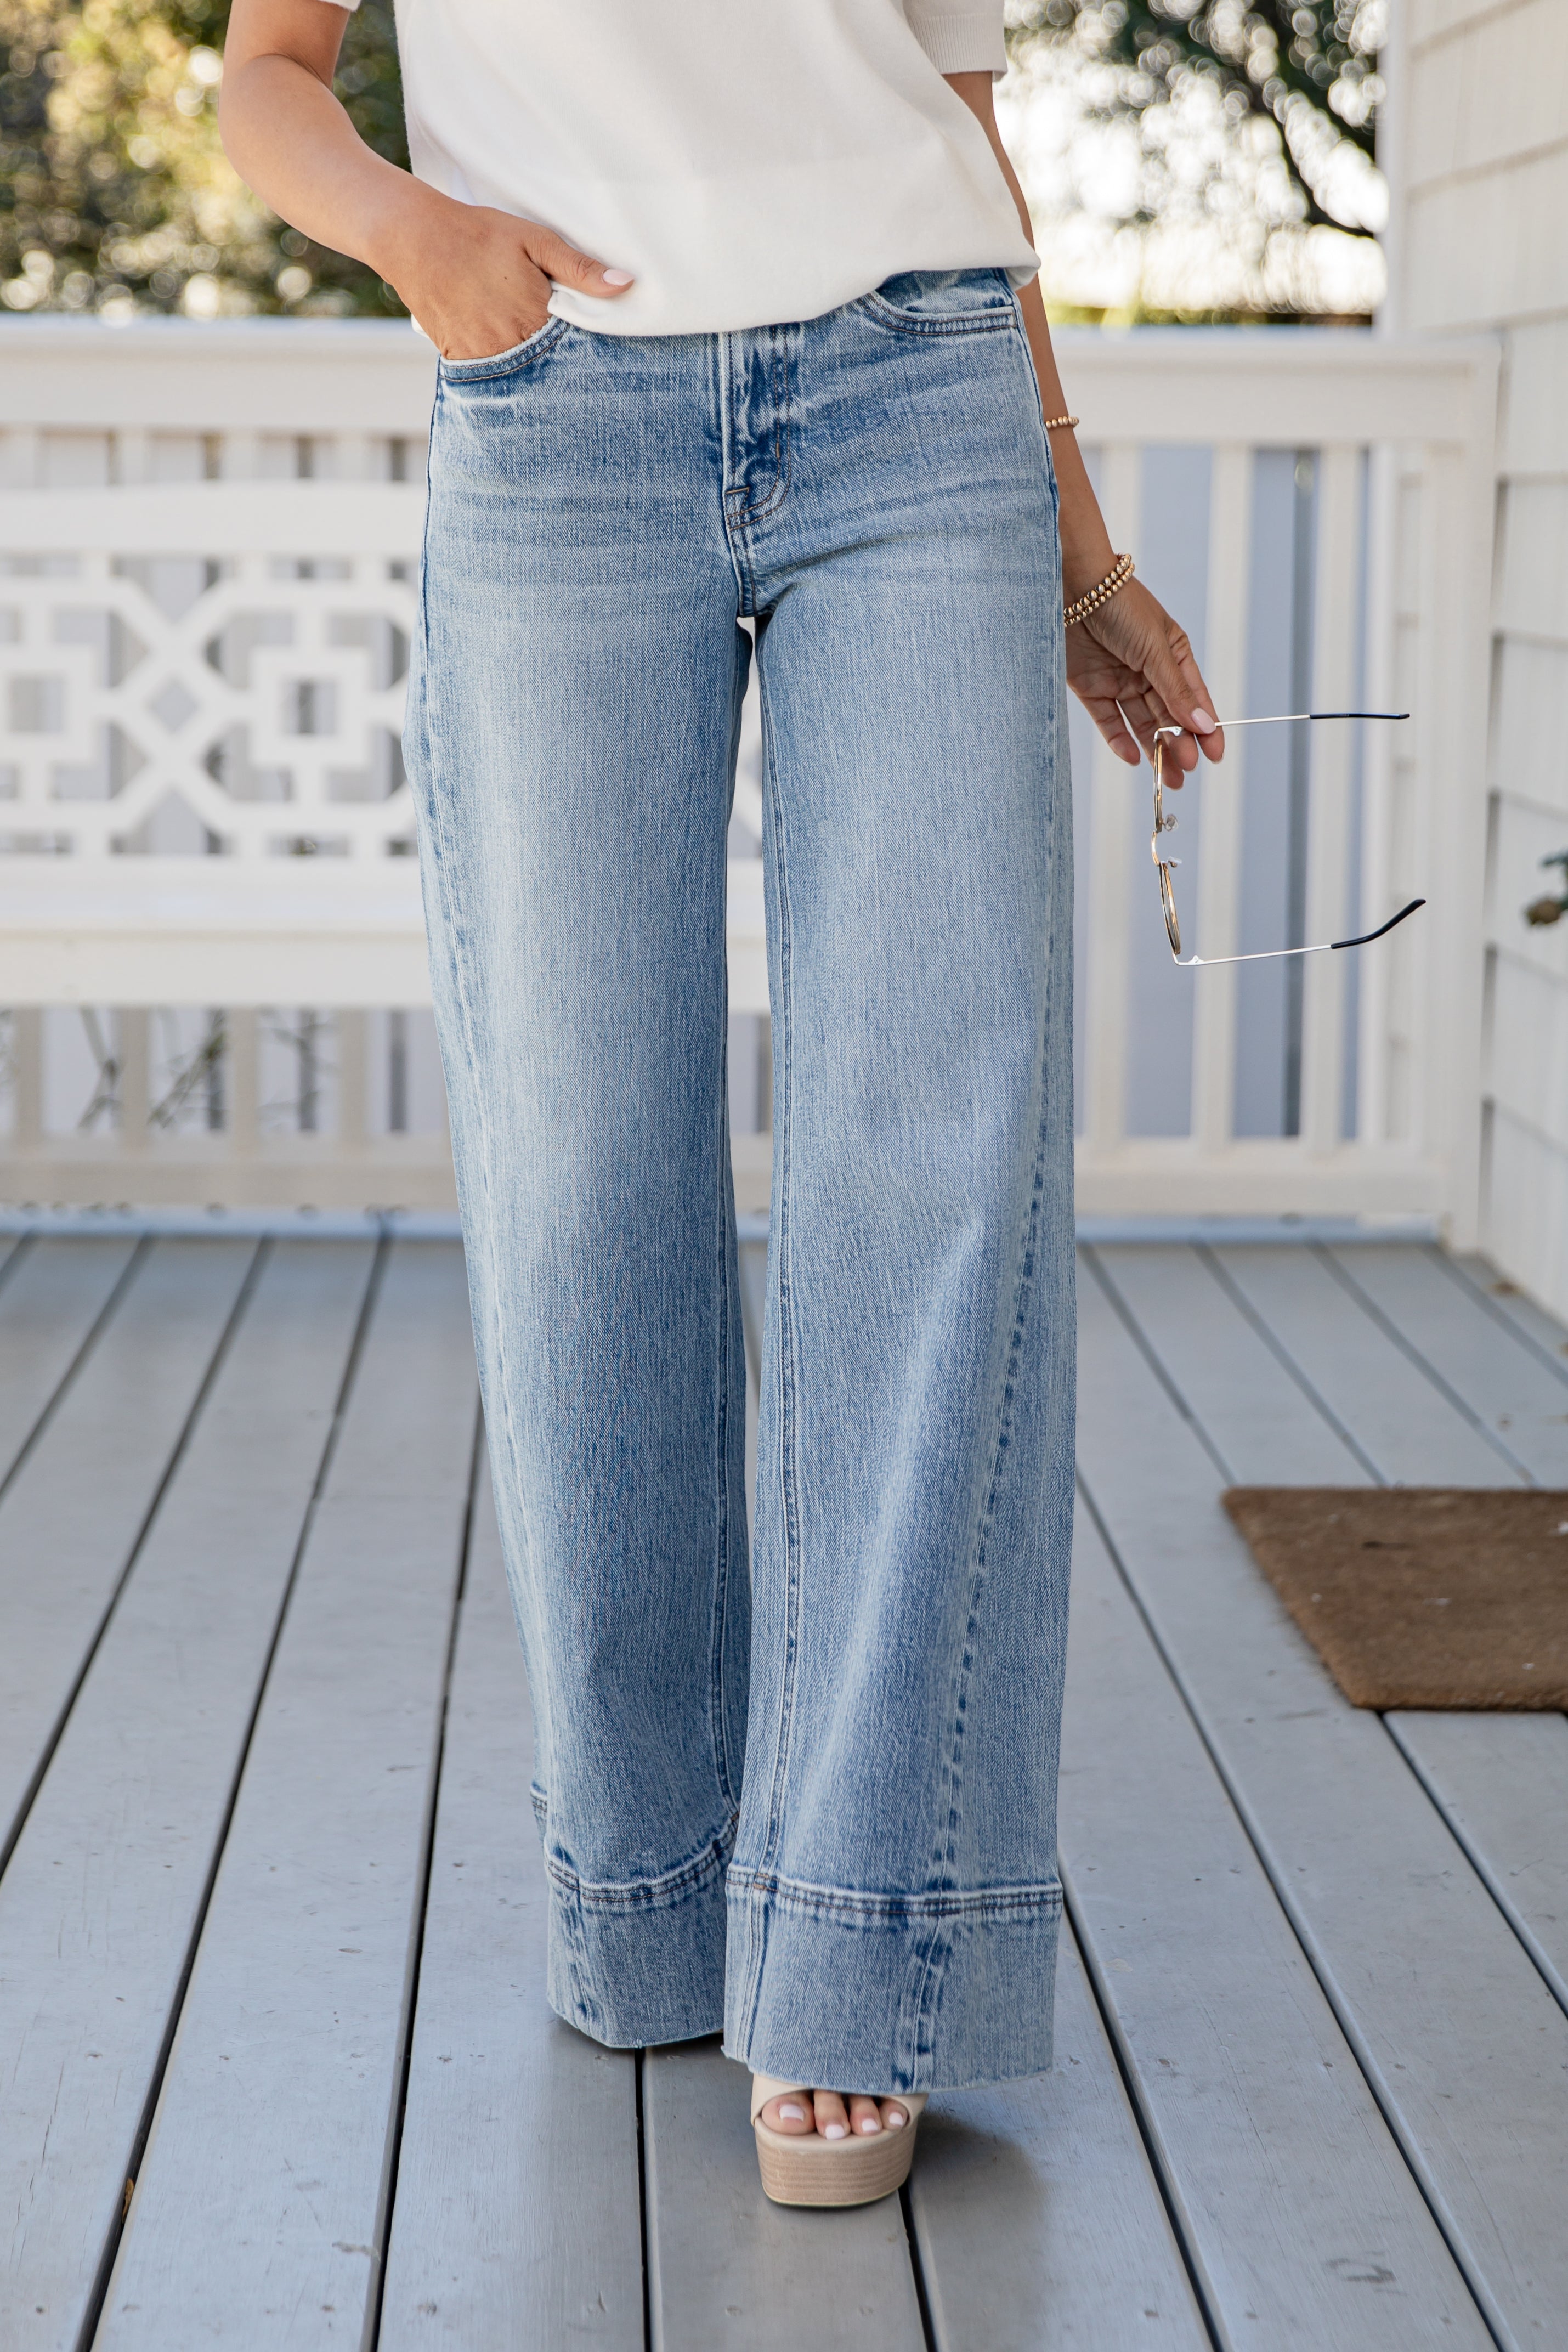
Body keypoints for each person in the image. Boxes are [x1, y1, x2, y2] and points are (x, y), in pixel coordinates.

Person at [222, 0, 1222, 2209]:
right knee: (581, 1181)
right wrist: (423, 244)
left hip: (917, 386)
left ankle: (853, 1951)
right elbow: (264, 71)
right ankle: (653, 1890)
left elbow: (956, 102)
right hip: (553, 409)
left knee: (929, 1165)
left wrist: (1076, 540)